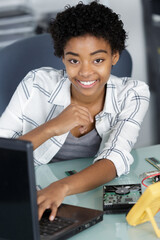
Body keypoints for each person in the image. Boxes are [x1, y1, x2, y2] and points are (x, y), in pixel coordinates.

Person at [0, 1, 150, 221]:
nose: (86, 72)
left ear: (115, 56)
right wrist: (52, 127)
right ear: (63, 58)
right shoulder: (36, 83)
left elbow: (115, 158)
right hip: (37, 191)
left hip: (90, 191)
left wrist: (61, 187)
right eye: (73, 60)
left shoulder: (133, 94)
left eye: (98, 60)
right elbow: (4, 155)